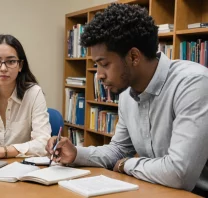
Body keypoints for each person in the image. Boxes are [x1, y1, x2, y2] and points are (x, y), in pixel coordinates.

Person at [46, 3, 208, 196]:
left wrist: (125, 165)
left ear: (133, 56)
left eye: (103, 64)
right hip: (157, 189)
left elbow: (180, 173)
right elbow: (119, 150)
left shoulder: (193, 84)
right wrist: (76, 154)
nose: (98, 75)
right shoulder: (127, 94)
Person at [0, 34, 51, 160]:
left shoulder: (34, 93)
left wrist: (1, 152)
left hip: (23, 166)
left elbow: (43, 144)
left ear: (20, 65)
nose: (3, 68)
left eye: (11, 61)